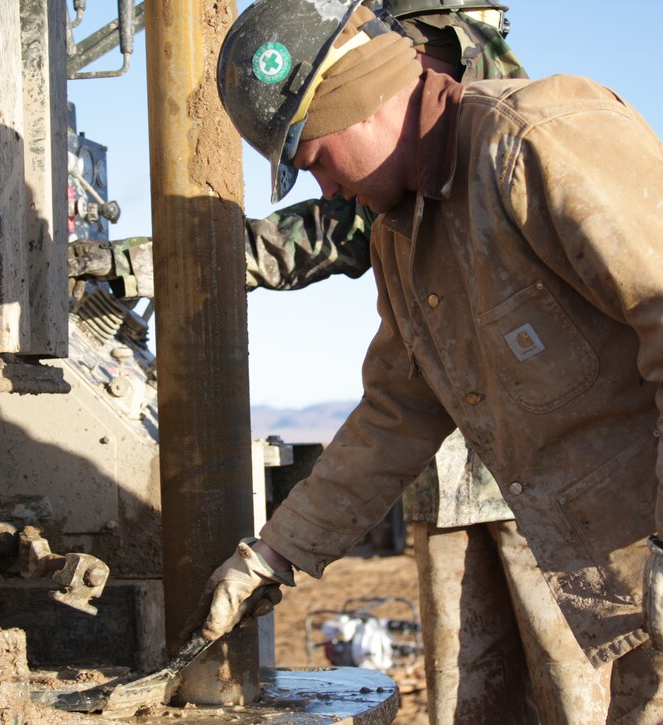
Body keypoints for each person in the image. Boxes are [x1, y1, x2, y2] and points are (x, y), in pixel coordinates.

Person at [202, 1, 663, 722]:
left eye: (314, 161)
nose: (328, 191)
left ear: (358, 99)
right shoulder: (402, 239)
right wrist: (275, 554)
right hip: (630, 539)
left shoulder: (538, 141)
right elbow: (395, 414)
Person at [69, 6, 608, 721]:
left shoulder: (503, 128)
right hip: (455, 478)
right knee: (471, 701)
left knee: (577, 692)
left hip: (545, 474)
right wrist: (274, 555)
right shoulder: (398, 210)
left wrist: (133, 263)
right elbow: (394, 395)